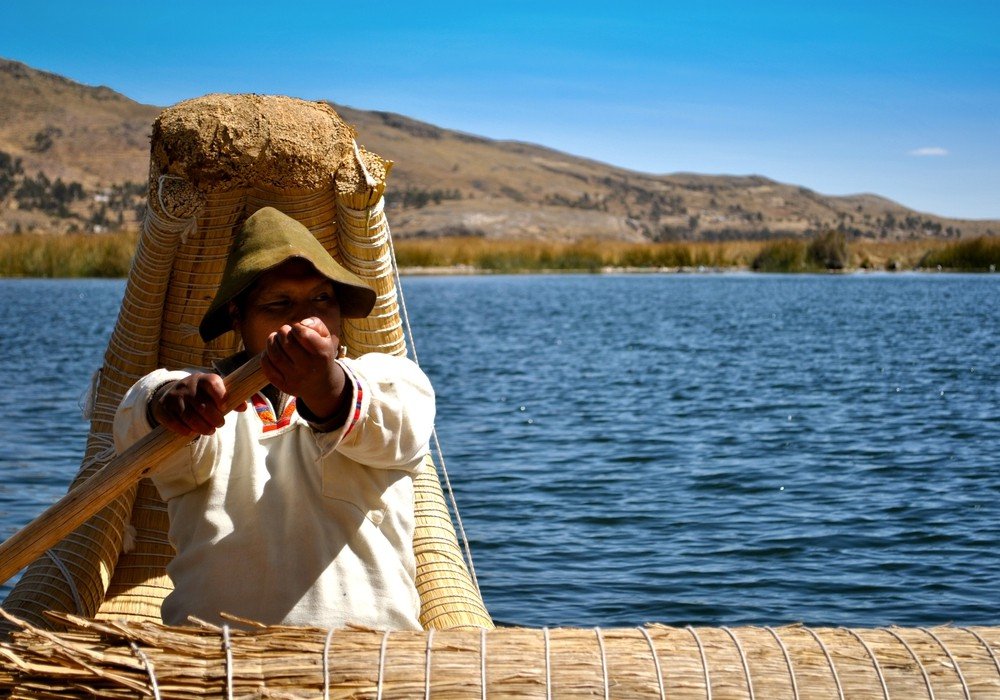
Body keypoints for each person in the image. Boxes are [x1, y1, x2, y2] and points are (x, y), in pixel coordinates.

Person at [113, 207, 434, 630]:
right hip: (216, 668)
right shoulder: (204, 400)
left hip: (367, 667)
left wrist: (323, 384)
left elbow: (395, 424)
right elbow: (136, 426)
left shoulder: (389, 380)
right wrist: (168, 405)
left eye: (321, 300)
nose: (303, 320)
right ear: (236, 317)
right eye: (279, 303)